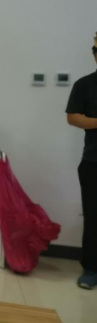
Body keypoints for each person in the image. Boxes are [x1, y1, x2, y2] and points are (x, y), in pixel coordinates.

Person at [66, 32, 97, 290]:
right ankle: (91, 269)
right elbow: (73, 117)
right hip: (93, 163)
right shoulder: (84, 85)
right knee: (93, 217)